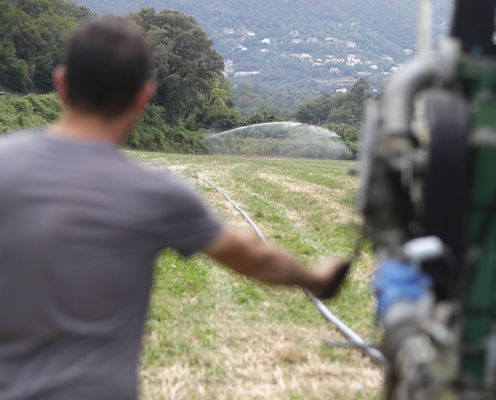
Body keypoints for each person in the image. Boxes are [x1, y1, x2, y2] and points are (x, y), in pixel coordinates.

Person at [0, 17, 350, 400]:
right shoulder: (156, 193)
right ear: (143, 97)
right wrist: (316, 278)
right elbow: (254, 257)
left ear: (61, 83)